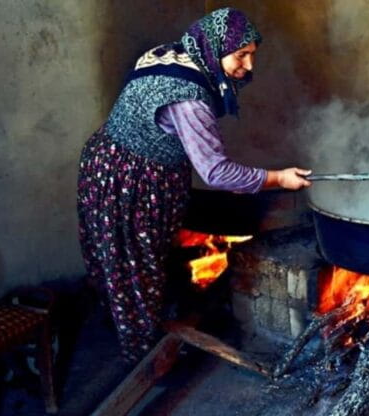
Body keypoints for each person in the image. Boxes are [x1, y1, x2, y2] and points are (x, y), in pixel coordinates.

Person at [76, 8, 311, 363]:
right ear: (214, 48)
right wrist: (278, 178)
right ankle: (145, 357)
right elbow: (216, 173)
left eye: (251, 55)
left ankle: (126, 323)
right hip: (129, 182)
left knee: (121, 261)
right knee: (136, 269)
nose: (248, 67)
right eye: (241, 55)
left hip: (108, 161)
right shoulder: (188, 97)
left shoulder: (173, 54)